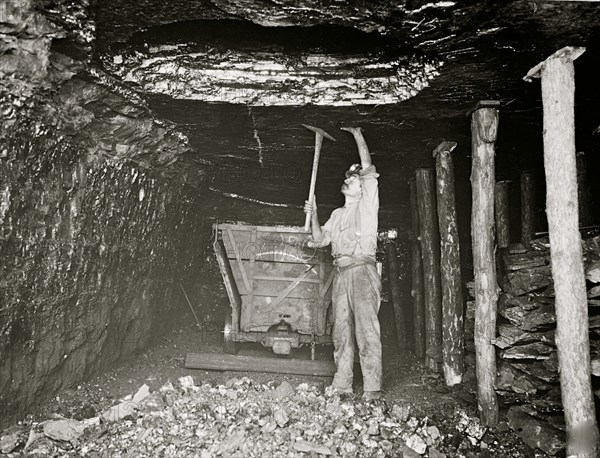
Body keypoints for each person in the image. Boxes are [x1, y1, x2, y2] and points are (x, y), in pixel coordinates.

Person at [303, 126, 382, 400]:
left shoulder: (367, 206)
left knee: (366, 331)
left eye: (354, 178)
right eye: (348, 177)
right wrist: (312, 214)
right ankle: (342, 384)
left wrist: (358, 134)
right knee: (341, 332)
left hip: (362, 272)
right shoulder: (337, 214)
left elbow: (369, 169)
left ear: (363, 188)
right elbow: (320, 239)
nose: (348, 180)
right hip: (341, 274)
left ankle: (372, 389)